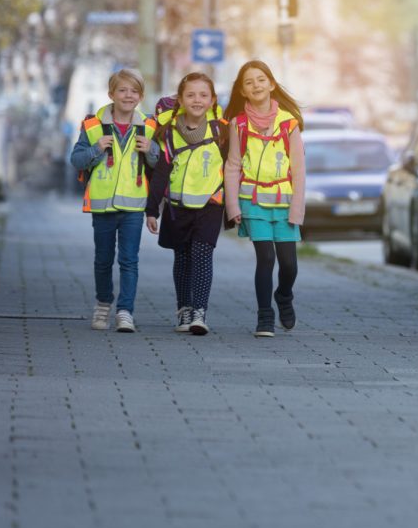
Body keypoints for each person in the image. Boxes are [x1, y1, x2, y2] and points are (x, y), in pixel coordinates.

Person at [69, 68, 159, 333]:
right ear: (111, 94)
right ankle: (103, 304)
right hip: (103, 204)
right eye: (122, 90)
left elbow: (160, 163)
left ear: (140, 96)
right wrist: (97, 149)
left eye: (134, 91)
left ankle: (125, 311)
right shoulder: (93, 126)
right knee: (103, 259)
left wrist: (151, 150)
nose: (128, 95)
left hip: (133, 205)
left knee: (129, 260)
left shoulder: (149, 126)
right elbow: (76, 159)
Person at [223, 60, 306, 338]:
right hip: (254, 202)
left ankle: (283, 296)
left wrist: (297, 210)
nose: (256, 85)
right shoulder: (239, 125)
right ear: (242, 91)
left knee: (289, 264)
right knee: (266, 258)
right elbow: (233, 166)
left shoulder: (288, 124)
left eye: (261, 79)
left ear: (271, 84)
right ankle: (265, 317)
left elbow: (299, 169)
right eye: (249, 82)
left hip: (284, 202)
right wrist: (233, 206)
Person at [146, 72, 227, 336]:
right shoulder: (169, 133)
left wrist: (234, 205)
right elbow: (160, 172)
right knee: (182, 258)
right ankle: (183, 308)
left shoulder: (221, 131)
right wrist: (151, 209)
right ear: (180, 99)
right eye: (190, 95)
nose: (197, 100)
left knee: (203, 257)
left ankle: (199, 313)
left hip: (210, 206)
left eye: (203, 95)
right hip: (176, 207)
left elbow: (233, 167)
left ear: (212, 99)